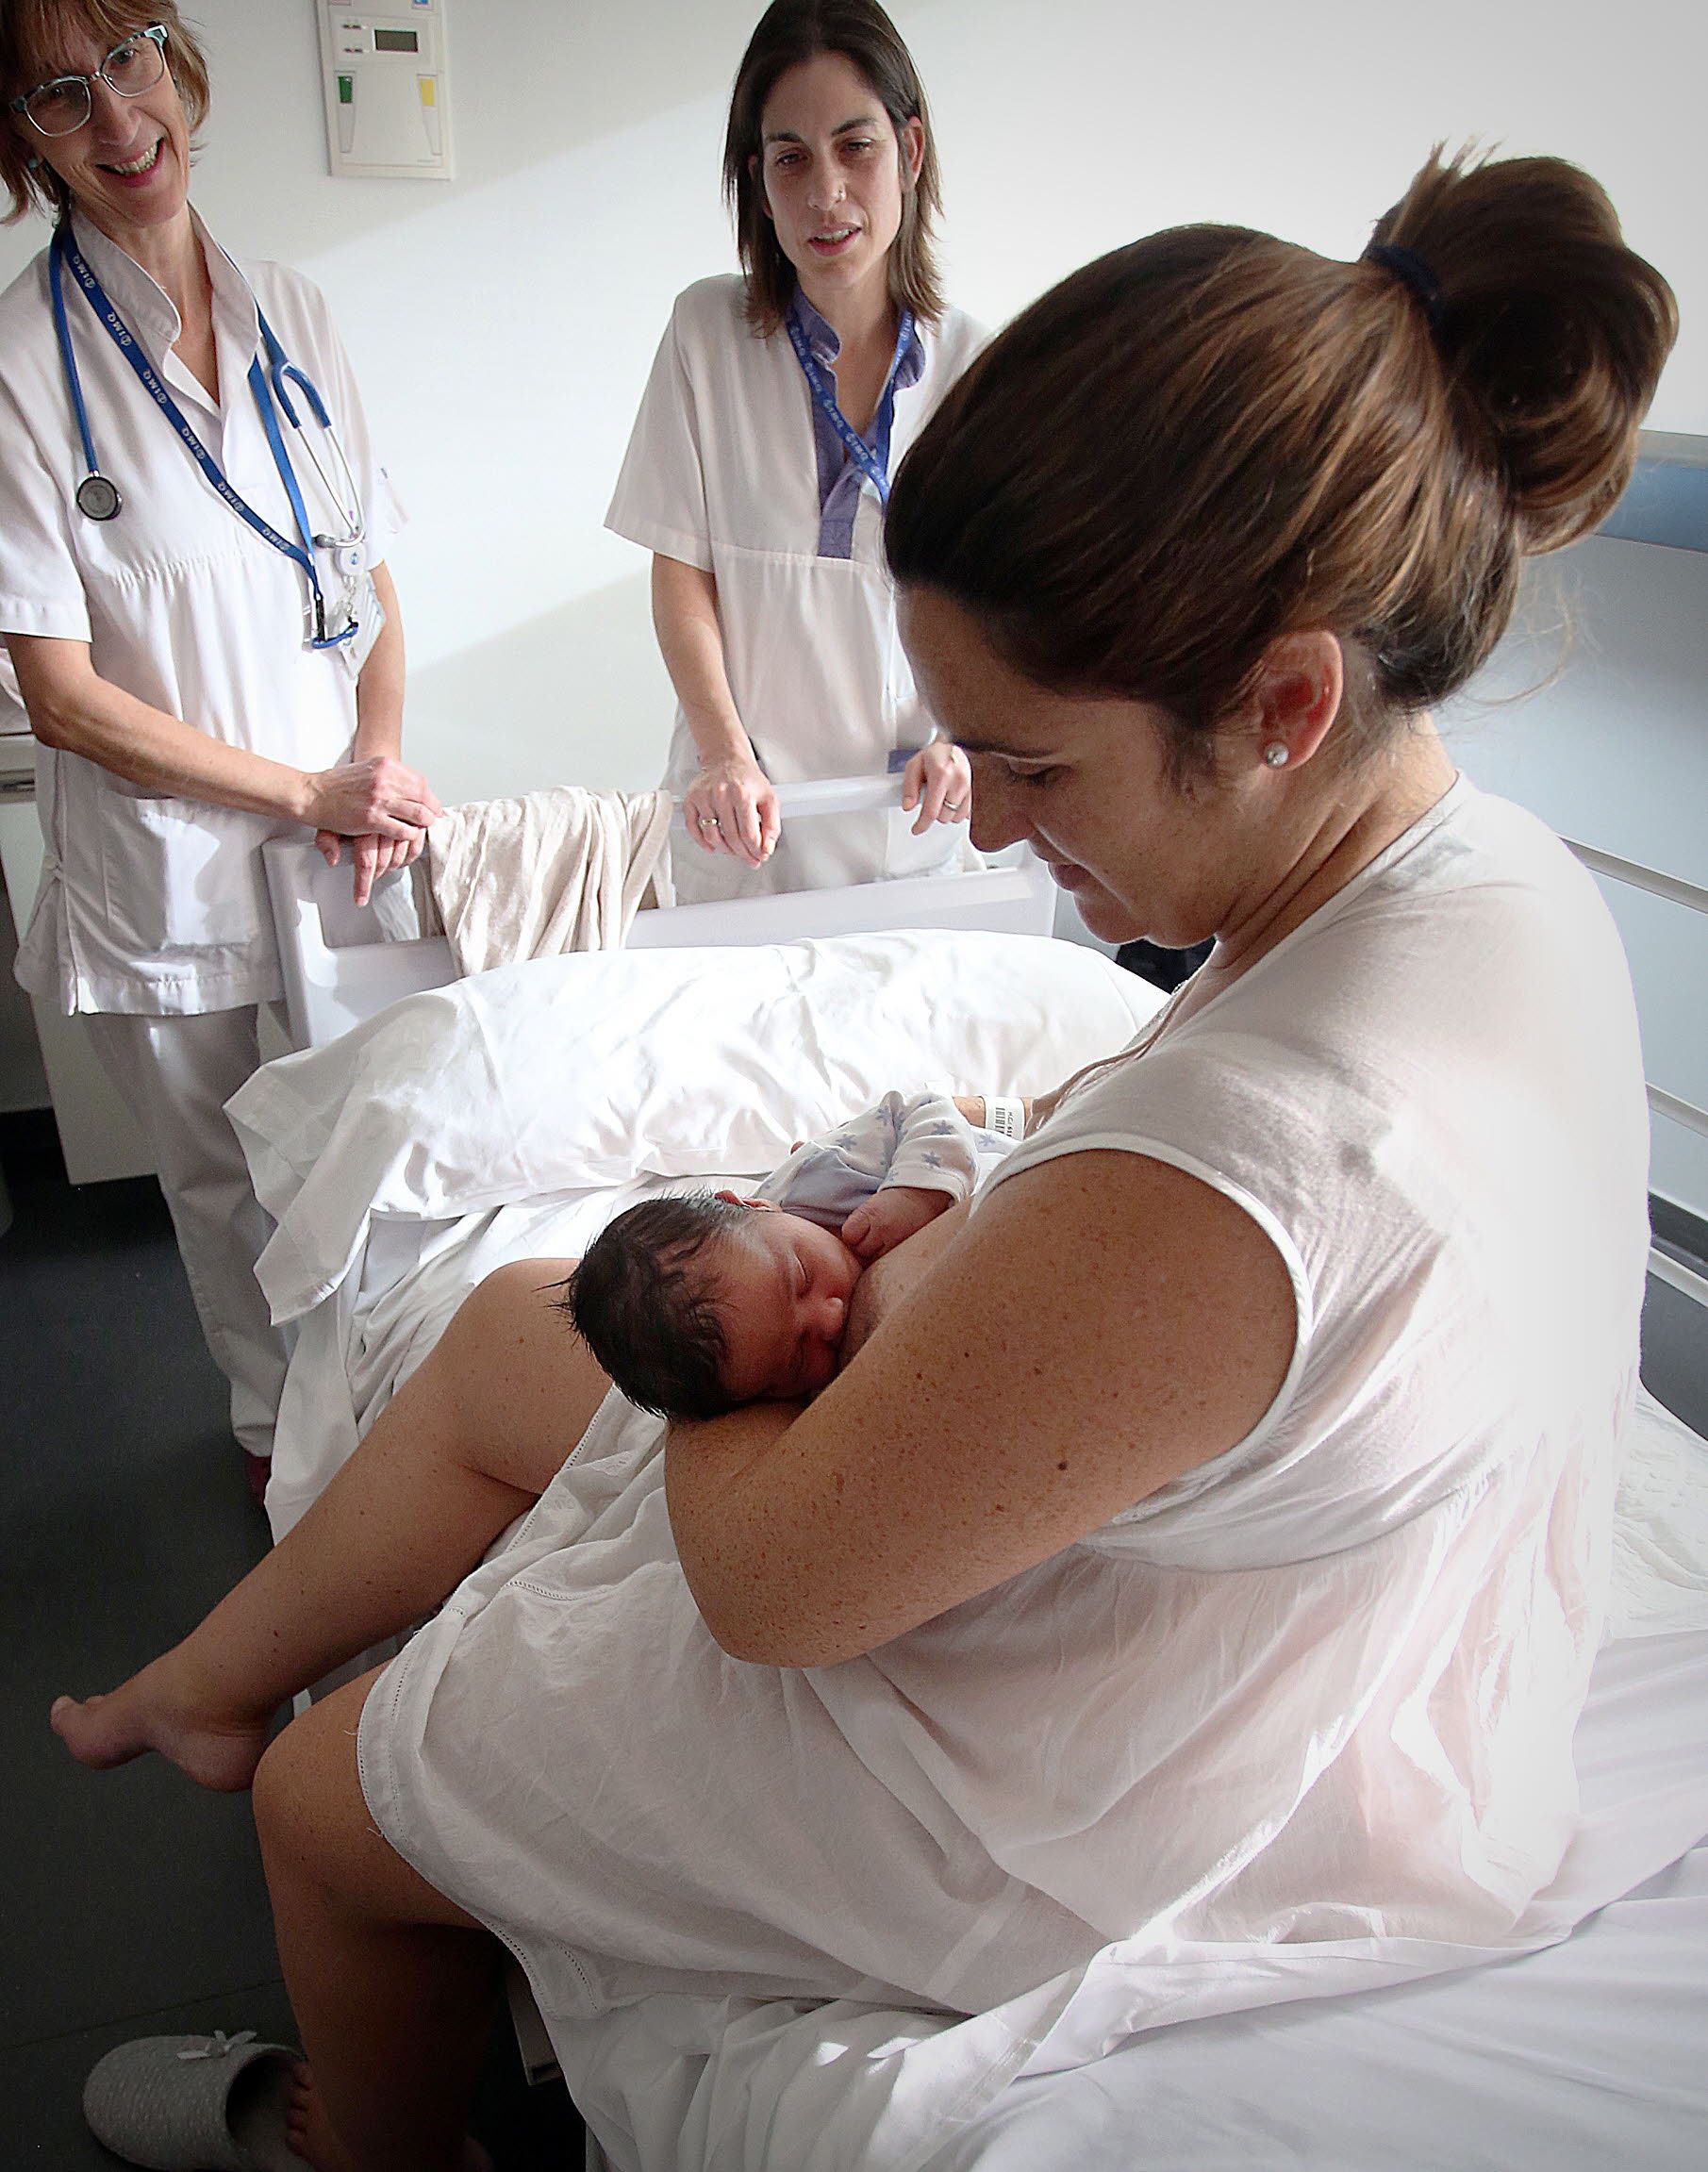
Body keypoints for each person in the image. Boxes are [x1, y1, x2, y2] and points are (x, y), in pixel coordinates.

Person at [51, 148, 1675, 2172]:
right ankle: (212, 1678)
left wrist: (712, 1330)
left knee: (327, 1800)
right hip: (1228, 1564)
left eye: (1031, 762)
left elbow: (770, 1591)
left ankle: (342, 2126)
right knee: (490, 1326)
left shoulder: (1262, 1155)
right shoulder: (1486, 873)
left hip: (1099, 1795)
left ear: (1277, 702)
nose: (985, 829)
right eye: (961, 747)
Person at [0, 4, 440, 1484]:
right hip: (171, 878)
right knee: (226, 1190)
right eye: (61, 95)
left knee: (370, 1158)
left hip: (336, 850)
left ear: (177, 62)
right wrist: (307, 787)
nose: (117, 121)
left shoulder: (298, 314)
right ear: (24, 138)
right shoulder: (15, 362)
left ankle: (390, 1430)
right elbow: (59, 693)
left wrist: (369, 771)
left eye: (126, 60)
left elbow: (369, 586)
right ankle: (278, 1455)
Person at [606, 0, 984, 904]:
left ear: (911, 152)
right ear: (756, 177)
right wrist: (724, 756)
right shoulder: (706, 334)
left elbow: (997, 605)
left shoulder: (975, 366)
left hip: (905, 826)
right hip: (742, 827)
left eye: (856, 148)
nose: (825, 195)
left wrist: (964, 738)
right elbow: (681, 571)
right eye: (790, 158)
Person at [566, 1087, 983, 1414]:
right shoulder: (779, 1379)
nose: (832, 1318)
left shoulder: (824, 1174)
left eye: (802, 1277)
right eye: (798, 1359)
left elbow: (923, 1108)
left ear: (753, 1205)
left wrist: (915, 1191)